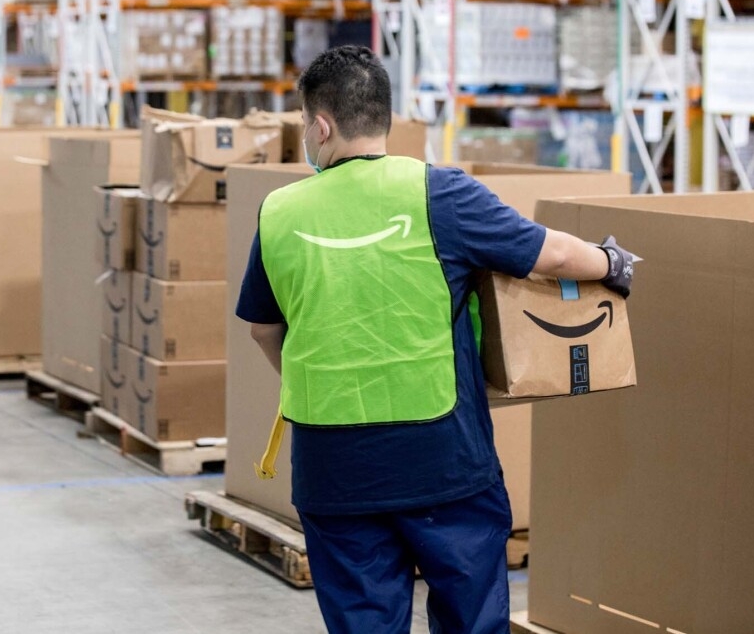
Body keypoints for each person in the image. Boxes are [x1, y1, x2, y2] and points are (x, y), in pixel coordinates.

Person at [235, 45, 634, 634]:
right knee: (470, 615)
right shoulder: (441, 193)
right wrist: (609, 261)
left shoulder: (280, 211)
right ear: (383, 118)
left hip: (333, 467)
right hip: (443, 461)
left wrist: (321, 384)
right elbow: (547, 253)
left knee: (365, 620)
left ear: (320, 125)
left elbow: (264, 329)